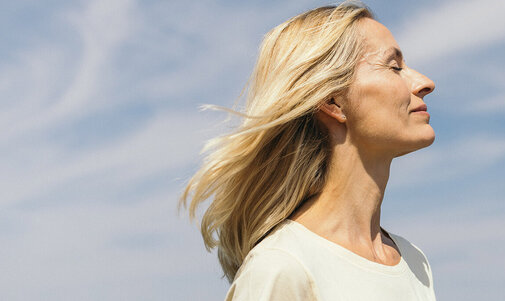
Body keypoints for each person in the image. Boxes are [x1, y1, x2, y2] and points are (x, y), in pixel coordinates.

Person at [180, 2, 437, 300]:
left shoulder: (414, 261)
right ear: (333, 102)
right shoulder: (282, 269)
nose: (425, 83)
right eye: (394, 67)